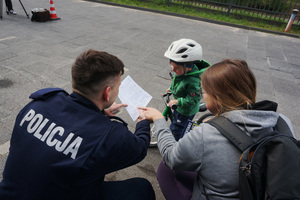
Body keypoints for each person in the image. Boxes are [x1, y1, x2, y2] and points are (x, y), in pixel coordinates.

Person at [0, 49, 155, 200]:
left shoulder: (39, 103)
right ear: (107, 93)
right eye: (118, 87)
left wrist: (99, 112)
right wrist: (142, 121)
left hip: (9, 193)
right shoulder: (110, 135)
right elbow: (139, 148)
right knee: (142, 187)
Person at [140, 59, 295, 200]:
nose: (202, 96)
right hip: (263, 191)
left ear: (217, 99)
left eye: (205, 92)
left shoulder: (206, 134)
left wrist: (158, 119)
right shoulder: (281, 122)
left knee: (164, 169)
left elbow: (170, 157)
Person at [164, 38, 209, 141]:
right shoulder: (182, 72)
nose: (173, 69)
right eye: (171, 65)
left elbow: (194, 99)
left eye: (176, 68)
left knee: (177, 129)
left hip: (186, 111)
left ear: (188, 67)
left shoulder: (193, 81)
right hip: (180, 107)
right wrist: (171, 89)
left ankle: (175, 147)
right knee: (175, 120)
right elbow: (178, 81)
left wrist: (178, 101)